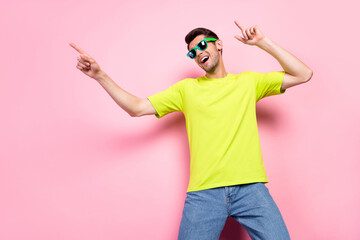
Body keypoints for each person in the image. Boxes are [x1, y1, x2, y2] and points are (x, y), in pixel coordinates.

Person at [70, 20, 313, 240]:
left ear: (218, 45)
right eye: (192, 53)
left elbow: (303, 74)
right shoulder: (186, 90)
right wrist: (100, 76)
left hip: (251, 189)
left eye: (202, 46)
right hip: (204, 194)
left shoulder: (248, 82)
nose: (198, 53)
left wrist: (263, 42)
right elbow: (136, 108)